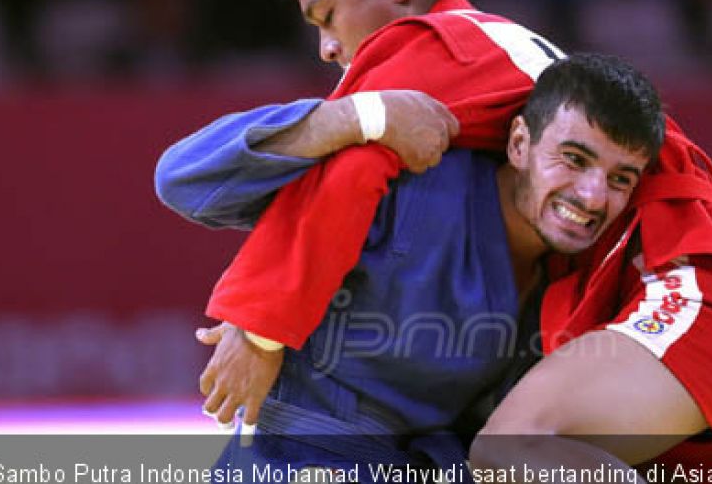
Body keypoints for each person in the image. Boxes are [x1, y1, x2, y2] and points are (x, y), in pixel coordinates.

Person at [155, 0, 712, 471]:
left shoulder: (439, 43)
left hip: (693, 300)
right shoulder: (499, 68)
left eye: (327, 14)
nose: (327, 47)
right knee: (505, 455)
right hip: (675, 318)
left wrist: (260, 328)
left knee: (509, 447)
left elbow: (336, 181)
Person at [174, 54, 666, 474]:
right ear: (519, 144)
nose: (593, 195)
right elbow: (183, 179)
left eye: (621, 179)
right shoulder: (408, 179)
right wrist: (359, 116)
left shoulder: (581, 283)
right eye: (574, 159)